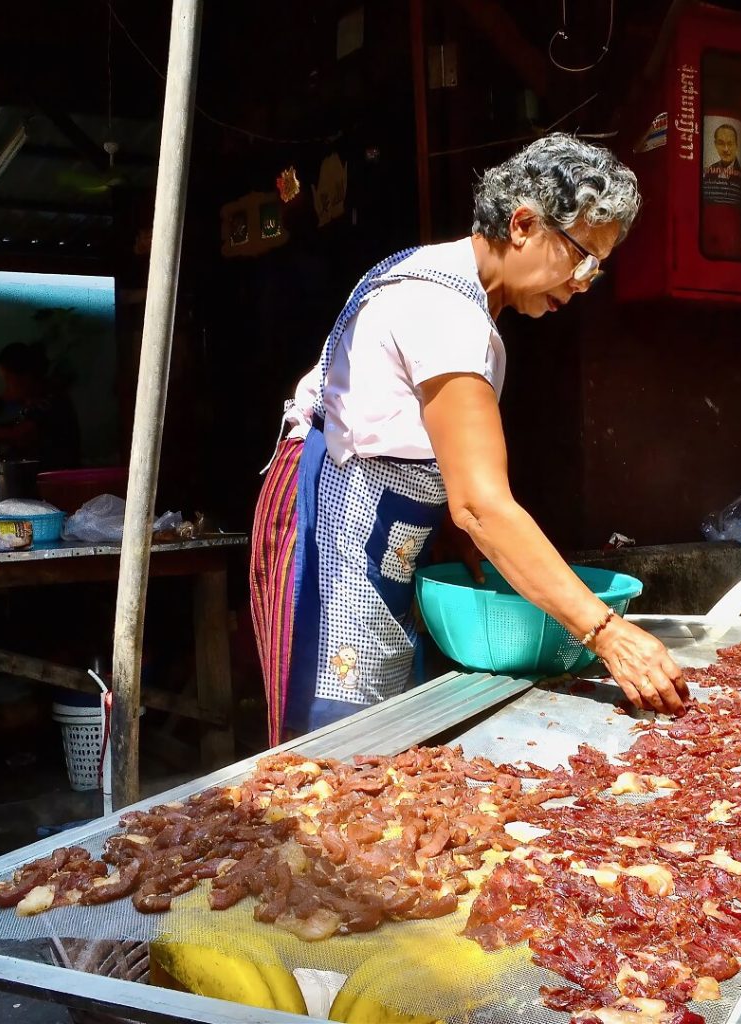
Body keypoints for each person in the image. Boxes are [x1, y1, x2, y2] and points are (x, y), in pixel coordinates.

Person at [250, 132, 688, 746]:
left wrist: (457, 533)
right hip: (335, 520)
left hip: (388, 527)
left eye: (599, 268)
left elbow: (444, 468)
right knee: (340, 748)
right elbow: (483, 503)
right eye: (584, 258)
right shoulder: (442, 309)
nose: (587, 283)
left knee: (389, 732)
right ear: (524, 224)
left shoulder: (466, 296)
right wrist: (606, 632)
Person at [0, 341, 81, 470]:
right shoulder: (33, 400)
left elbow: (20, 436)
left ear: (25, 377)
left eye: (7, 379)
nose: (6, 388)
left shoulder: (50, 400)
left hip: (57, 481)